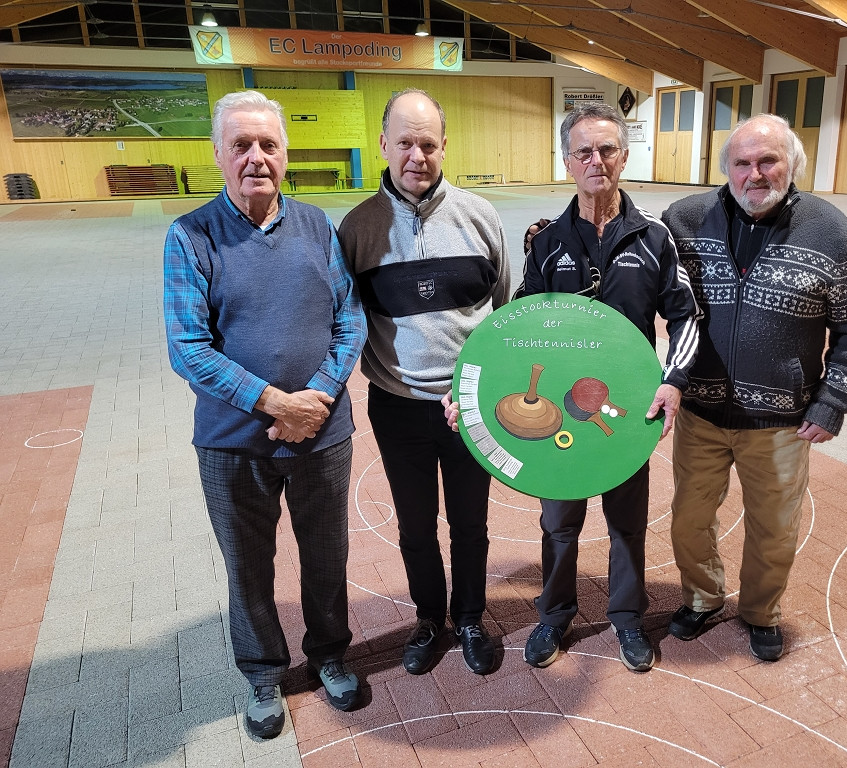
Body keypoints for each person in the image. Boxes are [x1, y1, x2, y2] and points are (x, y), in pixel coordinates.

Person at [163, 90, 366, 739]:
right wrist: (275, 402)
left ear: (285, 153)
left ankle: (329, 655)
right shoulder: (190, 235)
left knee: (326, 555)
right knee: (247, 565)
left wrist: (317, 399)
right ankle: (261, 671)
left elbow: (350, 319)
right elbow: (187, 348)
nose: (256, 157)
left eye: (268, 144)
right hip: (233, 442)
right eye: (241, 145)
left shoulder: (317, 226)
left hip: (322, 435)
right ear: (218, 153)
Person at [662, 113, 847, 661]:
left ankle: (760, 611)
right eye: (742, 162)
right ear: (726, 168)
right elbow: (643, 287)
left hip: (782, 423)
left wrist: (832, 404)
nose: (754, 174)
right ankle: (702, 598)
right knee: (688, 520)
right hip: (701, 413)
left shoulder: (828, 228)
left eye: (767, 161)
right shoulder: (684, 220)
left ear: (792, 164)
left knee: (775, 528)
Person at [513, 103, 701, 673]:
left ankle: (627, 620)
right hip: (559, 411)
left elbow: (685, 316)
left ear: (623, 157)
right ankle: (554, 615)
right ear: (567, 161)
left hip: (627, 410)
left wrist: (673, 381)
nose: (596, 160)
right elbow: (518, 325)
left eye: (607, 150)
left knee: (627, 522)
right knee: (558, 522)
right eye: (584, 152)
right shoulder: (547, 243)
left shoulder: (655, 238)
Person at [338, 89, 511, 677]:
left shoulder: (480, 216)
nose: (418, 155)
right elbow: (348, 317)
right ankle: (429, 618)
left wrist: (479, 387)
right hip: (397, 407)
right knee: (415, 527)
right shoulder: (358, 228)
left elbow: (502, 315)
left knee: (470, 524)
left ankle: (470, 618)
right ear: (383, 145)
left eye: (429, 144)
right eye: (405, 143)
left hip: (469, 407)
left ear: (444, 146)